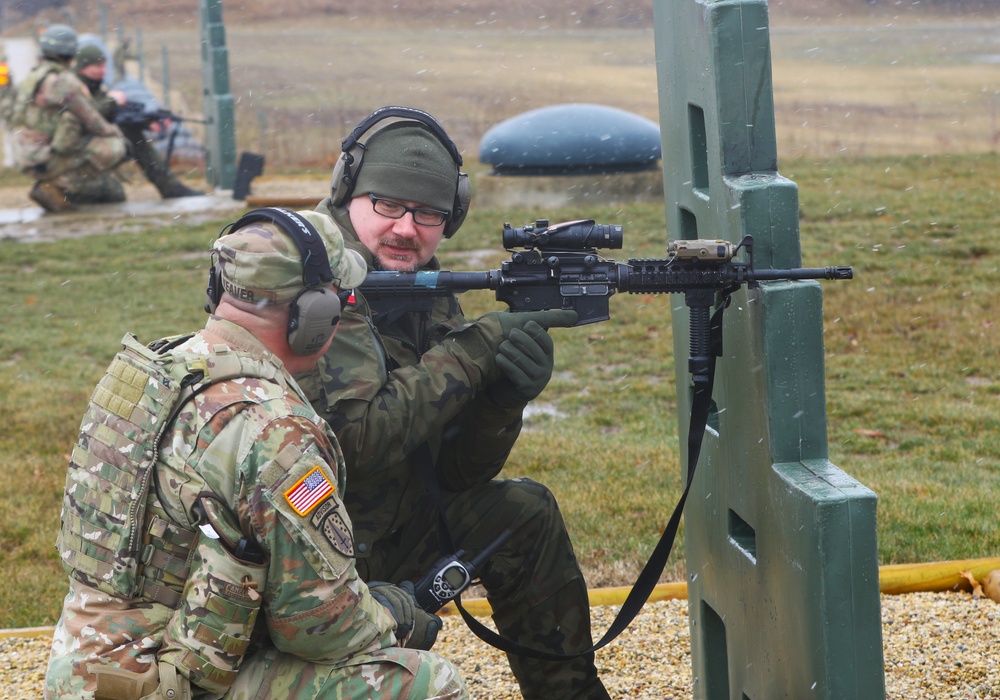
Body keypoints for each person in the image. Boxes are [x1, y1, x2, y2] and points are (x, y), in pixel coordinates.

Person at [44, 207, 468, 700]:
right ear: (314, 318)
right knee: (429, 682)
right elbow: (318, 626)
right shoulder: (276, 431)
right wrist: (391, 614)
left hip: (86, 668)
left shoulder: (150, 372)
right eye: (340, 298)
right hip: (164, 683)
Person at [295, 106, 611, 699]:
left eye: (429, 213)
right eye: (387, 205)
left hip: (377, 530)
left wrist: (500, 401)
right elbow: (357, 444)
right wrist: (476, 351)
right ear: (346, 192)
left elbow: (455, 473)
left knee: (523, 513)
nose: (406, 229)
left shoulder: (426, 292)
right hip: (300, 555)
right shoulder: (312, 280)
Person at [7, 24, 127, 212]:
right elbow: (92, 120)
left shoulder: (33, 76)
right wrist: (116, 134)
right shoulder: (63, 81)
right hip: (44, 156)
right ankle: (61, 184)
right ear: (71, 52)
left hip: (24, 154)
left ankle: (59, 184)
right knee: (115, 147)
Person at [74, 43, 203, 200]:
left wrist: (145, 121)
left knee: (132, 132)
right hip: (76, 147)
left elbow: (112, 116)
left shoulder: (92, 86)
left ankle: (170, 186)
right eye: (97, 66)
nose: (103, 71)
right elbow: (88, 116)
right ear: (82, 66)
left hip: (88, 143)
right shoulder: (75, 87)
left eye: (104, 66)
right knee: (114, 195)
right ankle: (169, 187)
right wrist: (112, 101)